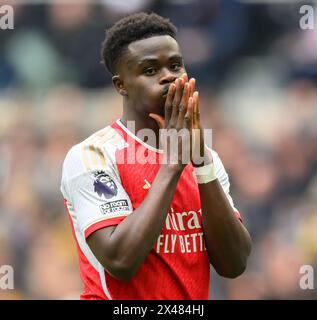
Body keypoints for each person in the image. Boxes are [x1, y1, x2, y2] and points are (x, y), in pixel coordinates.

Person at [60, 12, 252, 300]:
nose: (168, 77)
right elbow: (120, 261)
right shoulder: (94, 155)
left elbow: (234, 264)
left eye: (175, 65)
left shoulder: (206, 158)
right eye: (150, 70)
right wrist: (172, 164)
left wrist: (200, 163)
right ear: (121, 85)